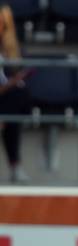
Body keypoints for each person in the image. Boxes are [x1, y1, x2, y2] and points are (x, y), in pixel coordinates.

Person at [0, 5, 30, 184]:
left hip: (5, 98)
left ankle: (15, 167)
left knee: (18, 95)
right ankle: (15, 166)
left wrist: (13, 81)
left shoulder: (11, 50)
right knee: (15, 101)